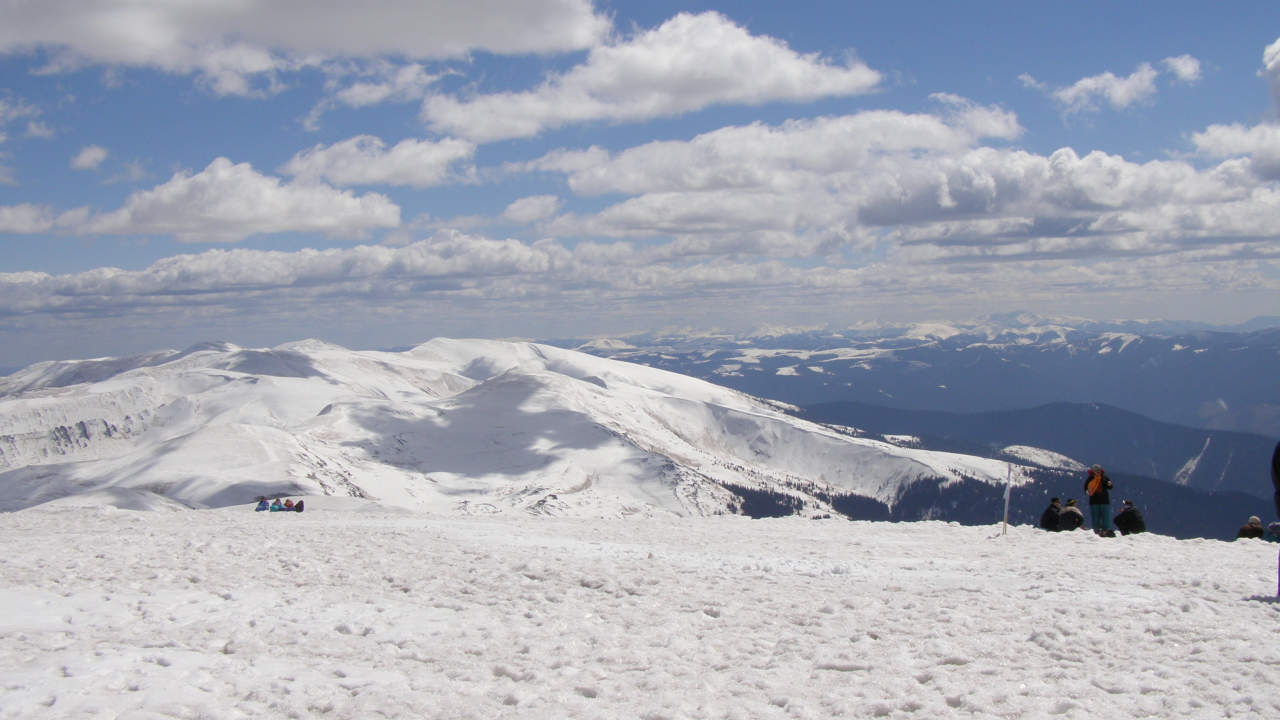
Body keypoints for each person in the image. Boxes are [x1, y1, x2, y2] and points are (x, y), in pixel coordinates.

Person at [1084, 464, 1115, 537]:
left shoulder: (1104, 478)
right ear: (1093, 471)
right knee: (1095, 516)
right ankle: (1097, 530)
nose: (1098, 472)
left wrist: (1109, 485)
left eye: (1099, 470)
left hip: (1104, 501)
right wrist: (1088, 491)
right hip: (1094, 501)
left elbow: (1110, 487)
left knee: (1105, 516)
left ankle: (1106, 530)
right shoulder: (1090, 479)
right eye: (1097, 470)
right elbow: (1085, 489)